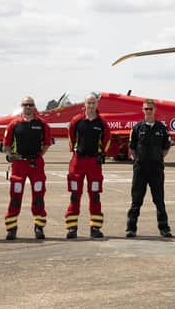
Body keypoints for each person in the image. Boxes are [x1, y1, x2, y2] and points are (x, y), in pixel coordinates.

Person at [3, 96, 51, 240]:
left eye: (30, 105)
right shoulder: (14, 124)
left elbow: (47, 144)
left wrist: (37, 156)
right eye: (25, 104)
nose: (28, 107)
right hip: (19, 165)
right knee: (15, 196)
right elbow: (6, 144)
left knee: (38, 196)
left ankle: (39, 227)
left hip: (36, 165)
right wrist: (11, 155)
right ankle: (11, 229)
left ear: (34, 106)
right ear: (21, 106)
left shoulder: (42, 124)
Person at [65, 93, 111, 239]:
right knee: (74, 195)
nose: (91, 105)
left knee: (95, 196)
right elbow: (71, 138)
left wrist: (101, 153)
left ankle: (95, 228)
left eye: (93, 103)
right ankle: (72, 228)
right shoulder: (76, 121)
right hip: (78, 162)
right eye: (88, 103)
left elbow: (107, 140)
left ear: (97, 104)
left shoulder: (102, 122)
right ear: (84, 104)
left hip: (94, 164)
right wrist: (76, 152)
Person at [126, 99, 172, 238]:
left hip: (156, 169)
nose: (148, 111)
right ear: (142, 110)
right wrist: (139, 160)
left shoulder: (162, 129)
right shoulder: (137, 128)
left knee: (159, 200)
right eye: (146, 109)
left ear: (155, 110)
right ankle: (131, 228)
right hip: (140, 169)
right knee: (136, 200)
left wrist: (157, 158)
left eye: (150, 109)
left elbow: (166, 148)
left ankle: (164, 228)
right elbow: (132, 147)